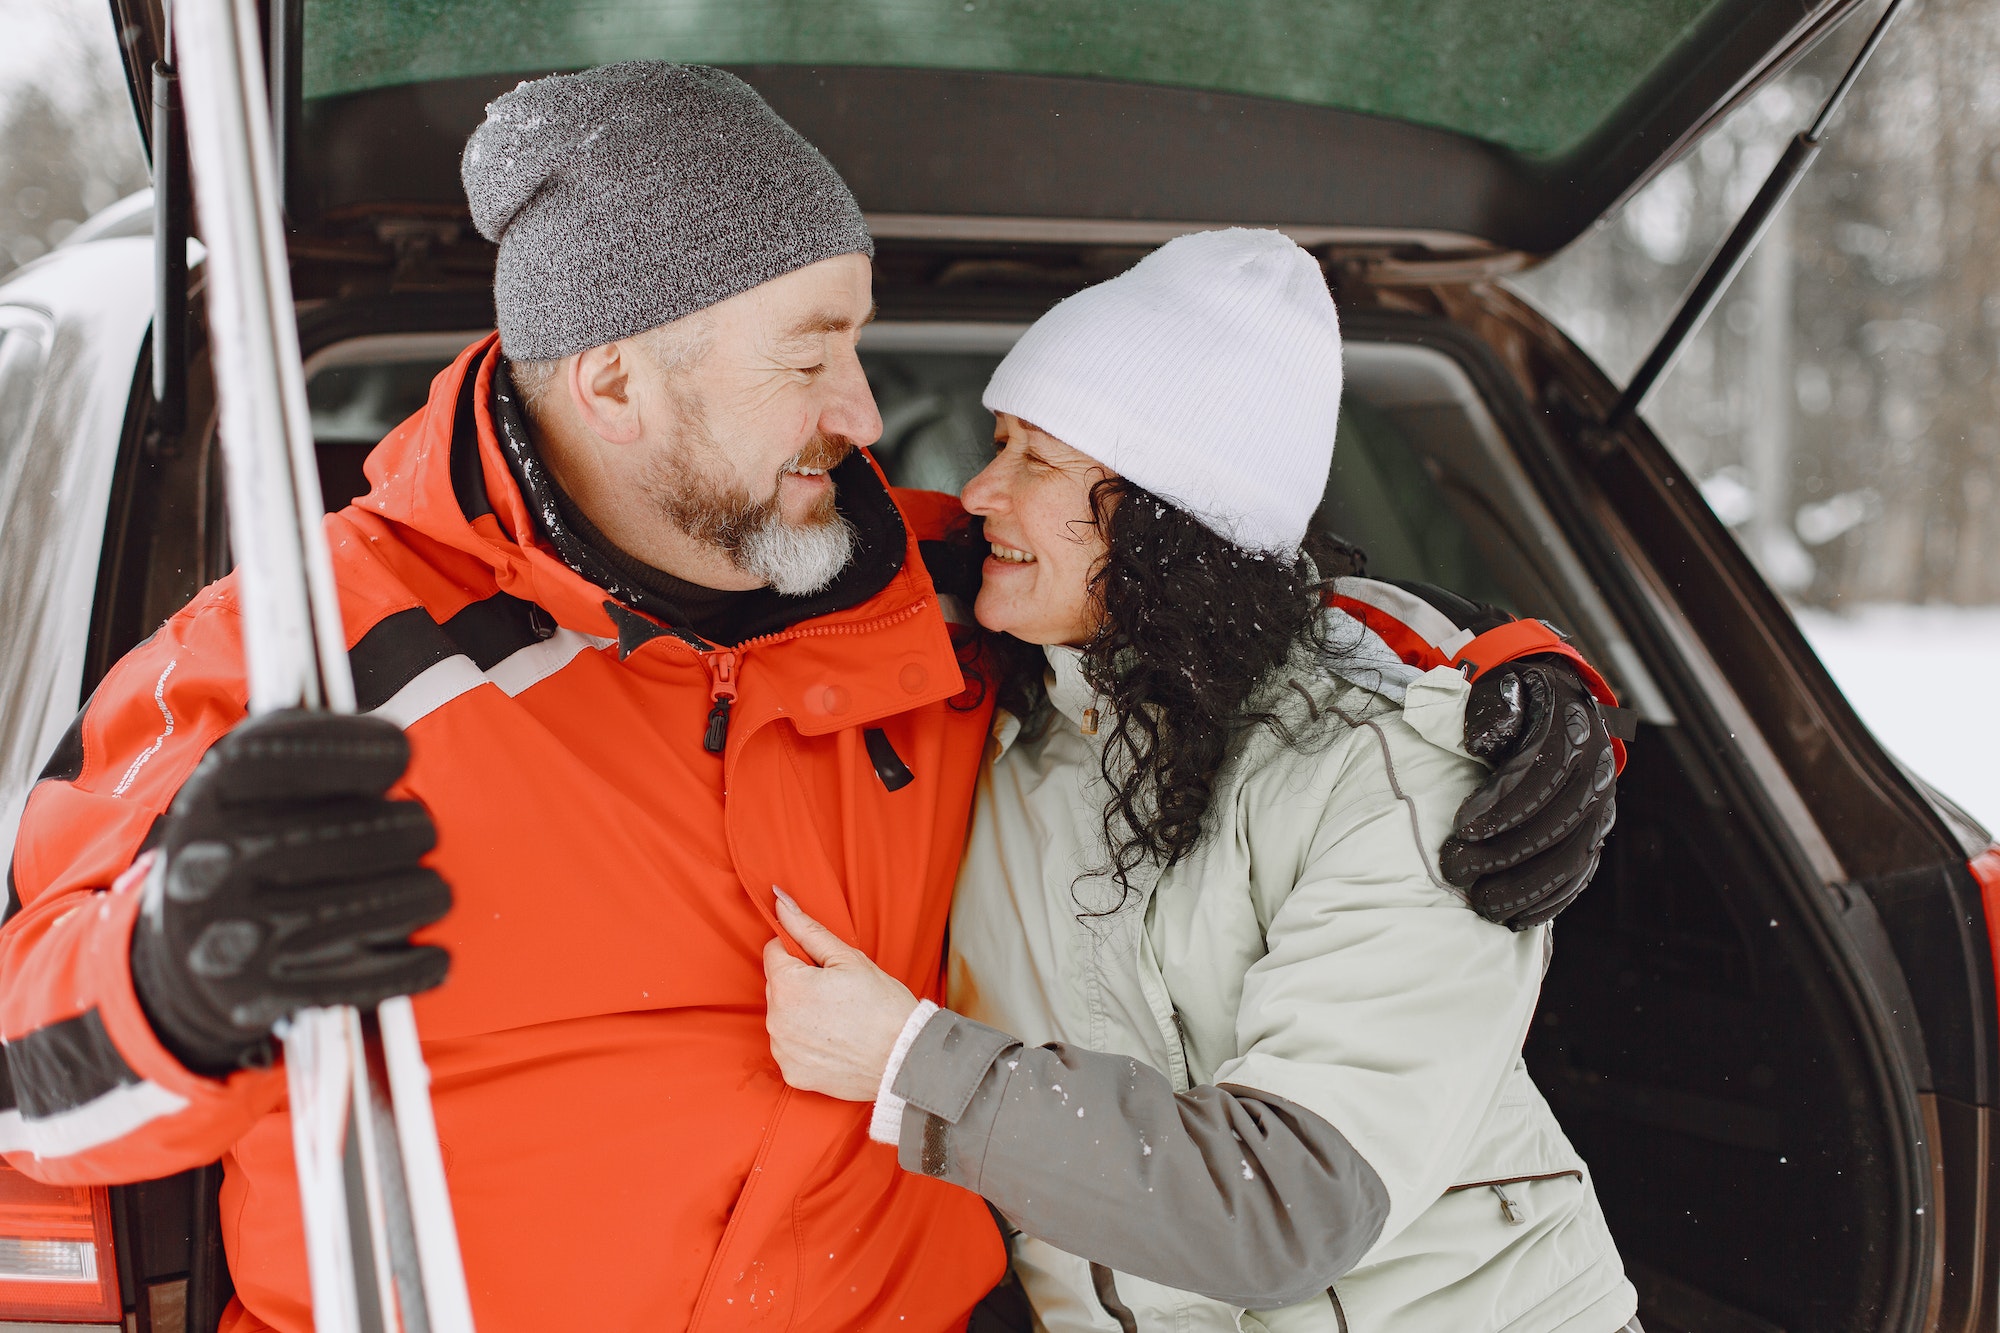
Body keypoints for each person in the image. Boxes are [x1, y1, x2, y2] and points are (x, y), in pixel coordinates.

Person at [0, 64, 1614, 1333]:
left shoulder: (928, 590)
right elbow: (27, 1082)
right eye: (812, 350)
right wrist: (172, 986)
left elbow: (1205, 584)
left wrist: (1514, 675)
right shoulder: (302, 662)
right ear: (617, 377)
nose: (864, 408)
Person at [763, 230, 1638, 1333]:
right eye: (997, 442)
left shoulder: (1393, 774)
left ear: (1168, 516)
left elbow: (1286, 1208)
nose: (978, 488)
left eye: (1034, 457)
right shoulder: (991, 707)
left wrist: (908, 1065)